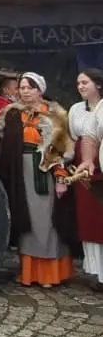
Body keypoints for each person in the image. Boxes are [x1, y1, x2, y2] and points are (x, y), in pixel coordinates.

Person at [0, 72, 74, 288]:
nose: (25, 91)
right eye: (21, 87)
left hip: (44, 171)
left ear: (40, 90)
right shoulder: (10, 114)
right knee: (25, 218)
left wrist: (60, 176)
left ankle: (50, 274)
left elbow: (63, 147)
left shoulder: (55, 113)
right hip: (19, 173)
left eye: (30, 87)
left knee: (46, 220)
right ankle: (29, 273)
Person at [68, 68, 103, 291]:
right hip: (89, 171)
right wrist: (87, 161)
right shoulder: (77, 110)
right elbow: (86, 137)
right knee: (92, 221)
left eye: (85, 82)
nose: (81, 86)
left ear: (98, 85)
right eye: (79, 83)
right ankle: (98, 273)